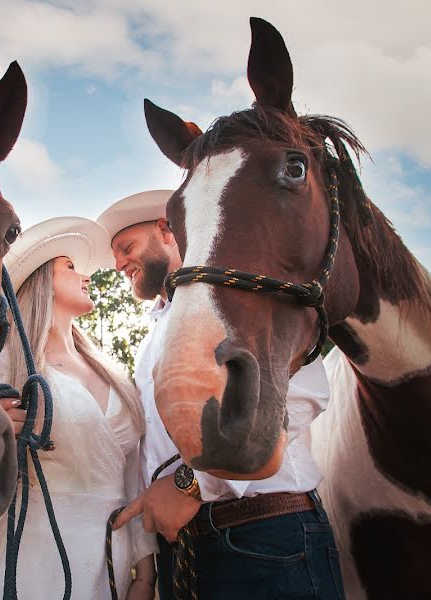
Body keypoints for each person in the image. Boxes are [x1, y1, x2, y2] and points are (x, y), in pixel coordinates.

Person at [100, 191, 346, 599]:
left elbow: (301, 395)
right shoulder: (149, 342)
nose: (117, 264)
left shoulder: (242, 290)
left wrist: (191, 485)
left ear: (166, 230)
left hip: (259, 536)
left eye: (125, 248)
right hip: (182, 548)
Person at [0, 217, 158, 600]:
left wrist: (145, 571)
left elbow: (132, 475)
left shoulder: (112, 371)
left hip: (113, 561)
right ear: (42, 282)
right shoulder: (10, 364)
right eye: (70, 267)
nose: (85, 276)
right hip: (35, 557)